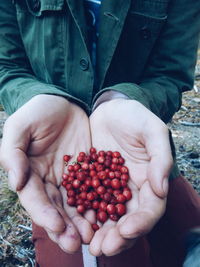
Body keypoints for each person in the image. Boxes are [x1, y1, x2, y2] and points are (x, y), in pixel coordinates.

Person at [0, 0, 199, 266]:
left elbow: (170, 75)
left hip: (138, 151)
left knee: (185, 237)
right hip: (52, 158)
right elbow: (7, 66)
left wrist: (123, 99)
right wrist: (35, 97)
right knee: (73, 246)